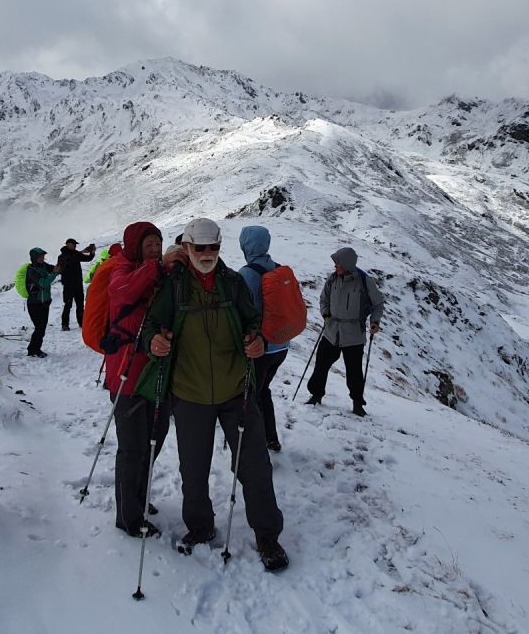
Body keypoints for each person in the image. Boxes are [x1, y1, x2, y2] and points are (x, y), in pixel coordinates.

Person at [140, 218, 289, 572]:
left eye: (214, 247)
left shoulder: (233, 283)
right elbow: (150, 325)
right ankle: (200, 527)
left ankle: (268, 536)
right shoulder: (174, 287)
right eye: (200, 248)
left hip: (236, 391)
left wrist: (257, 341)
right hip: (189, 392)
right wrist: (153, 342)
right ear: (187, 247)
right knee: (193, 469)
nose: (207, 254)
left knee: (255, 466)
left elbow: (253, 322)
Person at [103, 222, 171, 537]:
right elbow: (123, 291)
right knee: (132, 449)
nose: (155, 250)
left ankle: (139, 499)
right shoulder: (122, 270)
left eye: (158, 244)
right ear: (135, 247)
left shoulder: (157, 272)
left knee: (154, 440)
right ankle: (128, 517)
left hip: (154, 375)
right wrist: (156, 266)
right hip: (127, 377)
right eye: (149, 245)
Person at [307, 247, 385, 415]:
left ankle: (357, 404)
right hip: (331, 331)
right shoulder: (333, 278)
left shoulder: (364, 281)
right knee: (321, 365)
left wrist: (375, 321)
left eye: (338, 263)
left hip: (353, 334)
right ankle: (315, 395)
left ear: (347, 264)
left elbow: (378, 304)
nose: (335, 266)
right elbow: (323, 299)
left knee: (354, 372)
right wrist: (326, 314)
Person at [237, 225, 289, 452]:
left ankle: (254, 441)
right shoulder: (277, 268)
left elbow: (241, 312)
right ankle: (270, 437)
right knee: (262, 390)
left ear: (246, 245)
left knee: (250, 395)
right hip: (281, 345)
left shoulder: (247, 274)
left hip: (261, 348)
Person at [23, 247, 59, 357]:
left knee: (41, 328)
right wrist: (54, 273)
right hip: (35, 304)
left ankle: (35, 349)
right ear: (34, 258)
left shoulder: (43, 265)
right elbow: (44, 283)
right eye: (40, 256)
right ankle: (33, 350)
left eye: (43, 256)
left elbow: (53, 269)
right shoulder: (32, 271)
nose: (42, 258)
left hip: (44, 302)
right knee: (39, 328)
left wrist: (60, 266)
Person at [58, 238, 97, 330]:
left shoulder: (76, 254)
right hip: (68, 284)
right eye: (73, 244)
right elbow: (69, 261)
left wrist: (92, 252)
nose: (75, 246)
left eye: (75, 244)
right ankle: (65, 324)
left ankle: (82, 323)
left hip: (78, 283)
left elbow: (87, 259)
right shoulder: (62, 256)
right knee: (68, 304)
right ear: (67, 244)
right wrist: (81, 252)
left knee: (80, 304)